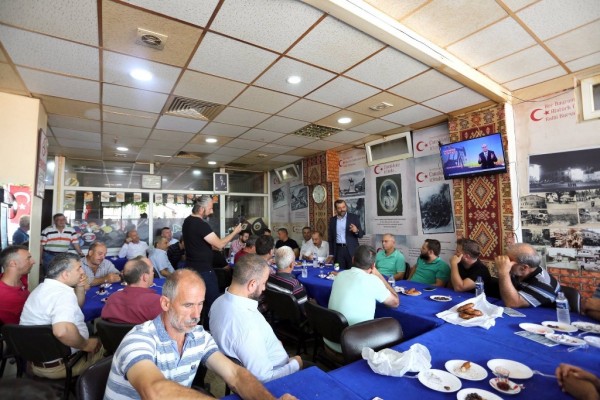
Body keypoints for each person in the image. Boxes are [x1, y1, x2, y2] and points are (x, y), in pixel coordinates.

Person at [104, 269, 295, 400]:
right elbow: (155, 391)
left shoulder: (198, 336)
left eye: (200, 304)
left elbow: (235, 375)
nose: (196, 315)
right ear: (165, 304)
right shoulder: (139, 339)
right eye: (188, 305)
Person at [210, 255, 303, 383]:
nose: (264, 288)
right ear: (252, 284)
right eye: (264, 283)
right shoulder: (247, 326)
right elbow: (264, 378)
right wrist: (296, 364)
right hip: (277, 377)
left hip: (254, 361)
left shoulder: (216, 303)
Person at [20, 253, 104, 379]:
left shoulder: (42, 288)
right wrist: (86, 345)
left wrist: (80, 286)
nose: (82, 272)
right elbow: (62, 331)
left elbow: (76, 307)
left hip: (37, 362)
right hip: (61, 366)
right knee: (111, 349)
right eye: (79, 268)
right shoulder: (63, 294)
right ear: (65, 274)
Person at [182, 195, 242, 330]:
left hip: (191, 269)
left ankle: (195, 328)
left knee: (196, 301)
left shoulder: (187, 221)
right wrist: (235, 232)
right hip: (204, 270)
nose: (212, 211)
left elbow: (200, 243)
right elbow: (220, 244)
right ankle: (210, 330)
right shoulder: (201, 225)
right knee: (213, 302)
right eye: (210, 208)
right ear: (201, 209)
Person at [327, 245, 399, 353]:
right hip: (352, 347)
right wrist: (379, 275)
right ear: (373, 265)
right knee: (394, 329)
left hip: (329, 340)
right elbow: (395, 302)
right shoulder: (373, 281)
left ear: (353, 259)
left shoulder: (340, 275)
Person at [495, 243, 560, 308]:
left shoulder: (543, 284)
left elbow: (512, 303)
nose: (505, 264)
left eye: (509, 261)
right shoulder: (519, 272)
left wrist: (503, 272)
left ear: (524, 268)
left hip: (547, 312)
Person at [101, 258, 161, 324]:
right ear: (145, 277)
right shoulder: (157, 302)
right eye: (152, 271)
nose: (153, 273)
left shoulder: (111, 299)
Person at [268, 246, 308, 312]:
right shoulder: (294, 284)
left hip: (275, 313)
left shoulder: (269, 278)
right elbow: (305, 310)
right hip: (293, 317)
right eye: (294, 261)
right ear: (291, 264)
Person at [0, 245, 34, 324]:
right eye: (28, 258)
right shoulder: (4, 297)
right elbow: (13, 328)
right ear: (13, 264)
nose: (33, 261)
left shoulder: (21, 278)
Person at [327, 199, 364, 269]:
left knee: (352, 271)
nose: (342, 210)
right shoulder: (332, 220)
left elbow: (361, 235)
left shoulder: (354, 217)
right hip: (338, 251)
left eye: (343, 207)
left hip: (351, 251)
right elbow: (330, 238)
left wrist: (356, 231)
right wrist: (331, 254)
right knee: (339, 271)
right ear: (336, 209)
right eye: (339, 208)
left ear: (346, 207)